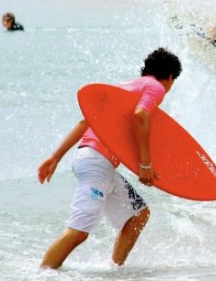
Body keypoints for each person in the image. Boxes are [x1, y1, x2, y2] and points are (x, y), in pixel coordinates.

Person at [37, 48, 182, 270]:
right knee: (78, 232)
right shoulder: (155, 87)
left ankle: (115, 270)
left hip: (91, 158)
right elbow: (140, 116)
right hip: (97, 163)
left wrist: (55, 157)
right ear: (170, 77)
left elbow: (85, 123)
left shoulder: (125, 85)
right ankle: (42, 274)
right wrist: (145, 165)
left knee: (138, 214)